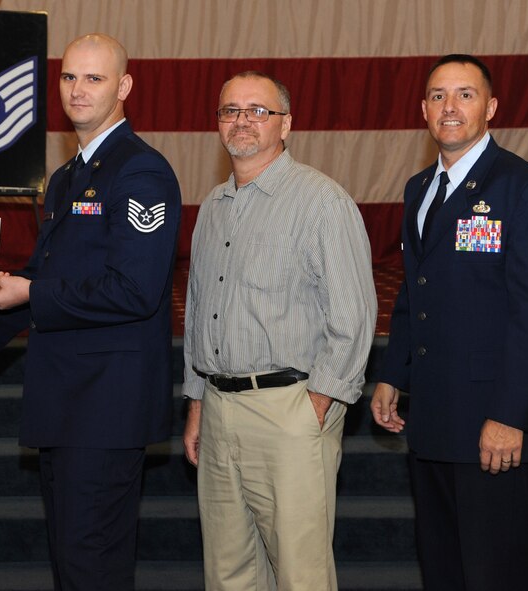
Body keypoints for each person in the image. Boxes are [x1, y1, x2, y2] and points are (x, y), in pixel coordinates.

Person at [0, 34, 181, 590]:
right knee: (74, 563)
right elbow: (39, 278)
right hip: (69, 405)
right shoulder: (69, 177)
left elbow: (135, 289)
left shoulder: (140, 172)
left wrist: (31, 295)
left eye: (94, 78)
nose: (78, 90)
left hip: (105, 406)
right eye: (69, 77)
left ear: (123, 87)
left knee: (90, 564)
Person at [371, 54, 528, 591]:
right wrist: (396, 373)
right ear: (424, 110)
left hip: (496, 429)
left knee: (493, 576)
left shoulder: (527, 190)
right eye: (438, 96)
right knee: (444, 572)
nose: (450, 107)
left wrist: (511, 416)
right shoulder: (419, 190)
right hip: (434, 421)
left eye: (465, 94)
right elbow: (417, 295)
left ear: (491, 107)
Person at [182, 71, 377, 590]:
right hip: (220, 411)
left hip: (289, 410)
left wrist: (316, 406)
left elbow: (353, 315)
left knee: (300, 574)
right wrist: (198, 402)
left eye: (257, 110)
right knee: (229, 573)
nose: (242, 120)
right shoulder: (212, 209)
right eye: (230, 110)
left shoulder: (320, 201)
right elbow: (200, 312)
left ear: (286, 124)